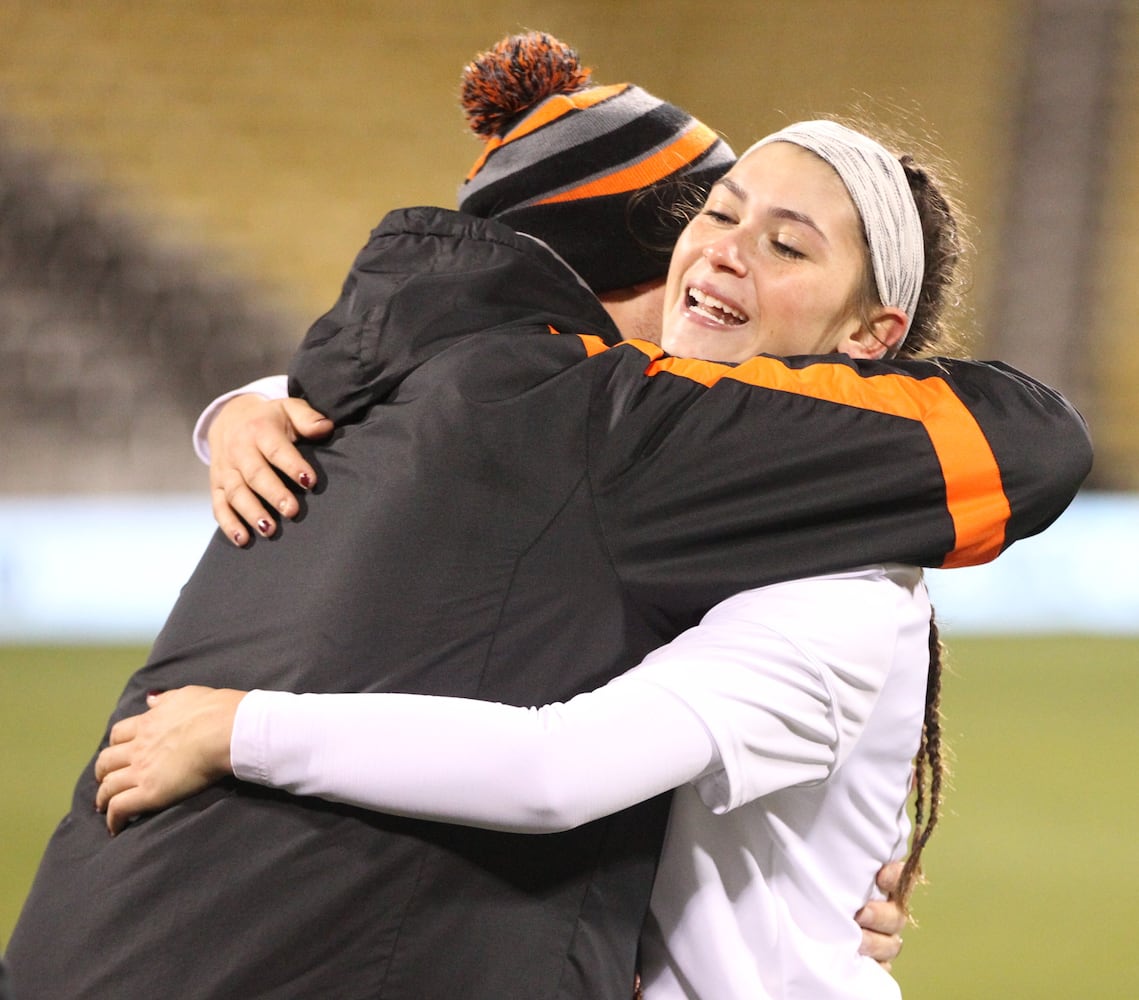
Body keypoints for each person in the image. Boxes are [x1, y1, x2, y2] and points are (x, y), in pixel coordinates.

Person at [7, 33, 1090, 1000]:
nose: (723, 248)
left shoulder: (826, 582)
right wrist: (252, 405)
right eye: (716, 215)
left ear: (872, 334)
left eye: (786, 244)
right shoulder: (640, 448)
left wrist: (239, 727)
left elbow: (558, 769)